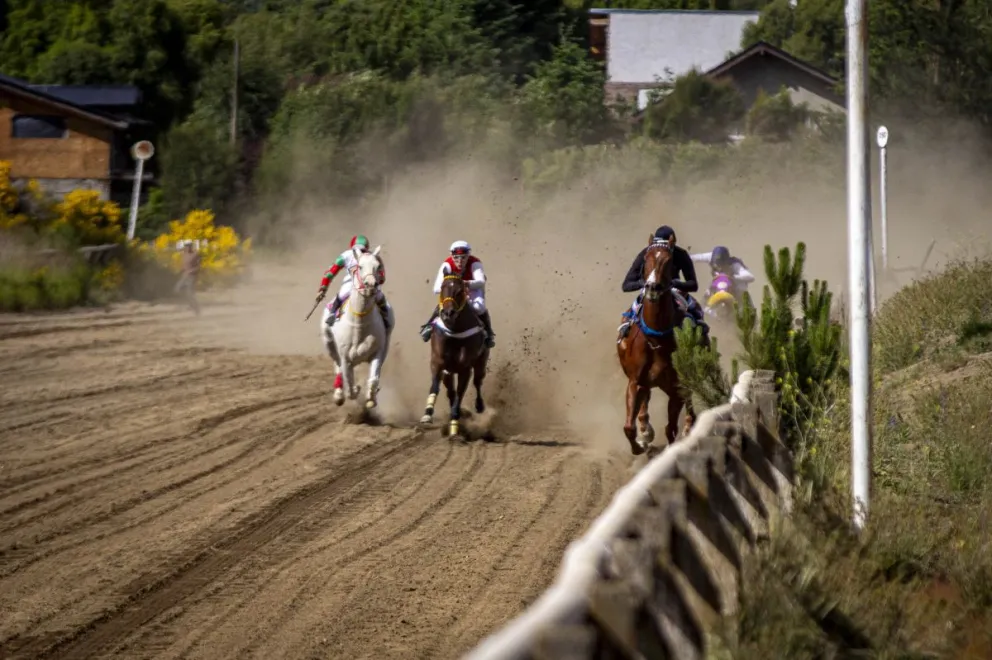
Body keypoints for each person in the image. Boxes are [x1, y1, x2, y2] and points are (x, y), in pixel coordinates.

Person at [618, 225, 707, 339]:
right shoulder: (646, 254)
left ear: (672, 244)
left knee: (693, 307)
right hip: (649, 288)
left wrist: (674, 284)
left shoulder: (681, 254)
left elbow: (693, 284)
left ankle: (700, 329)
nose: (661, 250)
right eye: (657, 246)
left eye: (666, 247)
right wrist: (643, 283)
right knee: (633, 310)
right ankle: (627, 326)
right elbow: (626, 285)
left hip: (674, 289)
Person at [419, 240, 495, 348]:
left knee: (479, 307)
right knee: (446, 305)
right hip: (454, 290)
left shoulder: (475, 263)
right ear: (452, 256)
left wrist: (465, 284)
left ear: (468, 256)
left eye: (463, 257)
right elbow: (436, 288)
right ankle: (429, 326)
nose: (460, 261)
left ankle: (488, 333)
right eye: (456, 258)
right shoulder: (447, 264)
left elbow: (481, 282)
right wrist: (453, 287)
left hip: (472, 288)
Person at [315, 234, 391, 331]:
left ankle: (385, 317)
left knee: (379, 296)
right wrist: (323, 288)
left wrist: (378, 278)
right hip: (350, 282)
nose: (359, 251)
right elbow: (331, 272)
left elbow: (381, 275)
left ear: (366, 248)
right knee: (343, 294)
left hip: (369, 283)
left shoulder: (372, 257)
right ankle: (332, 314)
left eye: (362, 249)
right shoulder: (345, 256)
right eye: (356, 249)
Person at [690, 245, 755, 300]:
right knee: (707, 294)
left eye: (721, 264)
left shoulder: (735, 264)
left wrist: (733, 277)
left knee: (742, 291)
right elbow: (694, 257)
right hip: (718, 282)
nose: (719, 268)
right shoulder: (710, 257)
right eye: (717, 264)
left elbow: (751, 277)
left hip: (735, 286)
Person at [174, 240, 201, 316]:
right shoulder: (184, 254)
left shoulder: (196, 254)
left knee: (190, 293)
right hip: (184, 275)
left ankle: (196, 309)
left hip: (192, 276)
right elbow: (183, 265)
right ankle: (190, 304)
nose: (187, 247)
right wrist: (180, 270)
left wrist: (191, 271)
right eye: (186, 246)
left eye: (189, 246)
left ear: (191, 246)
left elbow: (198, 267)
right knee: (178, 289)